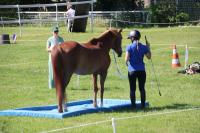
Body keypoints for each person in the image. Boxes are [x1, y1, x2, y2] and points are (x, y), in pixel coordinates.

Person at [125, 30, 151, 108]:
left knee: (132, 89)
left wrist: (127, 63)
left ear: (132, 38)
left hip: (132, 71)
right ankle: (143, 106)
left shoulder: (129, 47)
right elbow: (149, 57)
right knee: (142, 88)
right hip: (142, 71)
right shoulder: (143, 47)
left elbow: (126, 59)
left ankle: (133, 106)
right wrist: (148, 48)